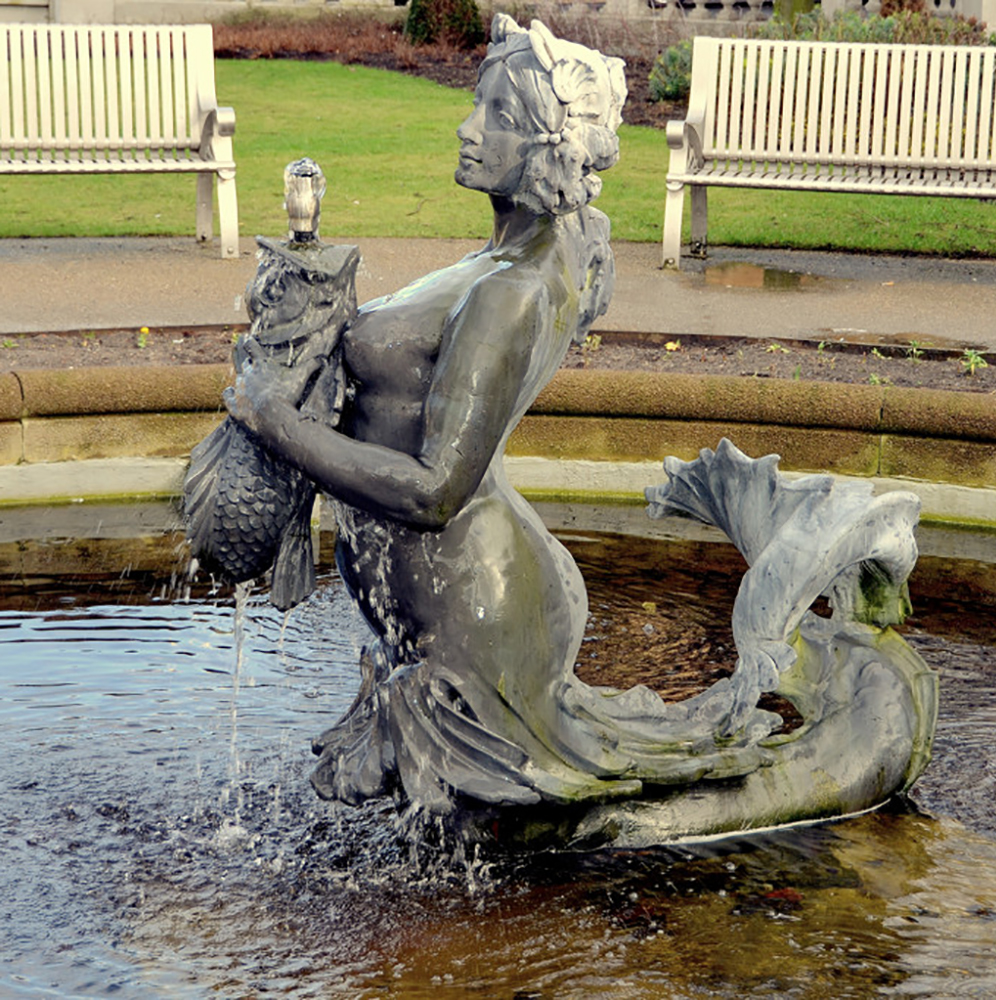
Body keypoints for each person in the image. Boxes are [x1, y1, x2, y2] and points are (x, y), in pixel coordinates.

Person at [225, 15, 767, 814]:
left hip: (478, 615)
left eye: (500, 116)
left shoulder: (513, 290)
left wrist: (280, 425)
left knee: (479, 880)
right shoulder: (502, 256)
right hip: (457, 601)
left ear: (553, 149)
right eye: (479, 105)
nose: (467, 126)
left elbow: (435, 490)